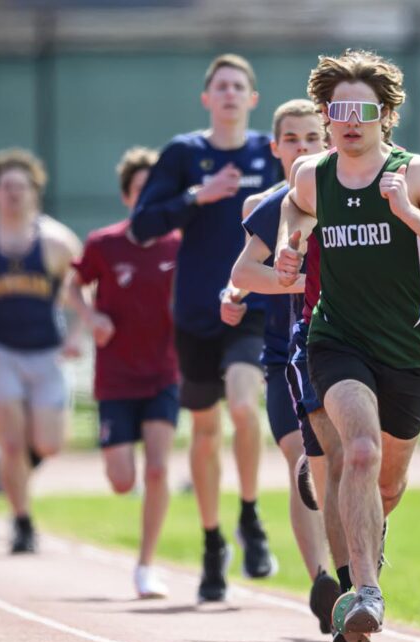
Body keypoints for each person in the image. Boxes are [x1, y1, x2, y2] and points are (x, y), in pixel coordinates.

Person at [276, 49, 420, 642]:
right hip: (337, 340)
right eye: (338, 109)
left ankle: (368, 539)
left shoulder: (417, 174)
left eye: (363, 110)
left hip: (407, 350)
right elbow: (295, 204)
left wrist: (408, 213)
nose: (350, 120)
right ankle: (364, 591)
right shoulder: (313, 174)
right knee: (357, 453)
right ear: (326, 113)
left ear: (385, 115)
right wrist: (292, 240)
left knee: (386, 484)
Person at [130, 53, 281, 601]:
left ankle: (249, 516)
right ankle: (213, 542)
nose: (230, 94)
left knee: (243, 404)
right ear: (206, 98)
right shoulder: (183, 154)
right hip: (195, 312)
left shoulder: (273, 151)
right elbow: (143, 225)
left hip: (250, 305)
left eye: (239, 86)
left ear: (253, 98)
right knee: (205, 429)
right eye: (220, 86)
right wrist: (200, 195)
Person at [224, 98, 340, 631]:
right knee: (302, 464)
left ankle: (355, 564)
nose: (303, 148)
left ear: (330, 141)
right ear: (274, 148)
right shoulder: (267, 204)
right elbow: (244, 272)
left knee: (345, 465)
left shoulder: (349, 197)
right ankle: (322, 579)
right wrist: (274, 285)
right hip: (283, 354)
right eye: (292, 139)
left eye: (313, 138)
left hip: (342, 350)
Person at [0, 148, 81, 555]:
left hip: (46, 355)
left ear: (35, 192)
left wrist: (75, 334)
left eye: (21, 187)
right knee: (10, 442)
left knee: (49, 443)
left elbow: (82, 295)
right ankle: (22, 522)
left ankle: (11, 469)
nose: (13, 194)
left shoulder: (57, 242)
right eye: (6, 187)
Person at [67, 147, 181, 598]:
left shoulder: (179, 243)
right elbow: (72, 284)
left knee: (157, 471)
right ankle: (121, 476)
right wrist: (89, 318)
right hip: (115, 377)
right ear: (127, 197)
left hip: (164, 373)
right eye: (140, 190)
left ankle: (145, 566)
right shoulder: (103, 243)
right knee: (122, 480)